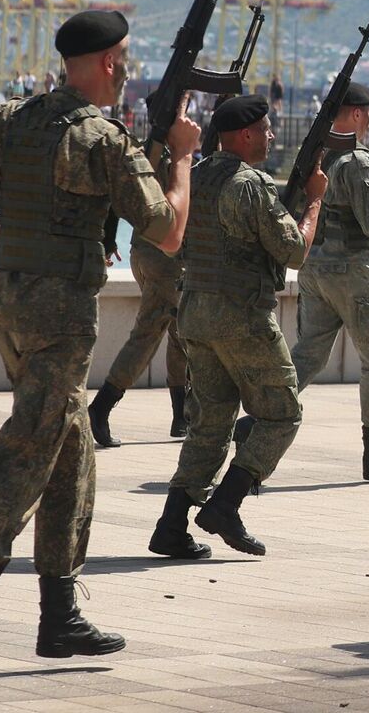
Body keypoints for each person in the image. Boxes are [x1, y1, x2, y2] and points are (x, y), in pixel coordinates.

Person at [0, 10, 197, 687]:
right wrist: (180, 155)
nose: (125, 69)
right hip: (61, 311)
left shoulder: (16, 116)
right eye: (121, 58)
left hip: (9, 301)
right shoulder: (102, 137)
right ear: (103, 62)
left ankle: (58, 613)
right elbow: (167, 232)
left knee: (70, 450)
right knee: (29, 451)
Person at [149, 95, 324, 560]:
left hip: (197, 315)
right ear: (244, 135)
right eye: (265, 130)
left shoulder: (198, 176)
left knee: (210, 424)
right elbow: (294, 251)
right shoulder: (250, 185)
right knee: (282, 414)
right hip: (241, 318)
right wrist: (314, 203)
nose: (270, 136)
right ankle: (226, 504)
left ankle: (171, 526)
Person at [271, 82, 369, 481]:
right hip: (351, 273)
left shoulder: (317, 153)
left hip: (314, 270)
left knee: (309, 354)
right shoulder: (357, 161)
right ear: (355, 113)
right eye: (368, 112)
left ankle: (259, 421)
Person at [88, 239, 190, 445]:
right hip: (169, 257)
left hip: (143, 250)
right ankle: (102, 405)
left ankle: (182, 418)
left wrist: (107, 240)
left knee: (181, 331)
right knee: (148, 336)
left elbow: (116, 206)